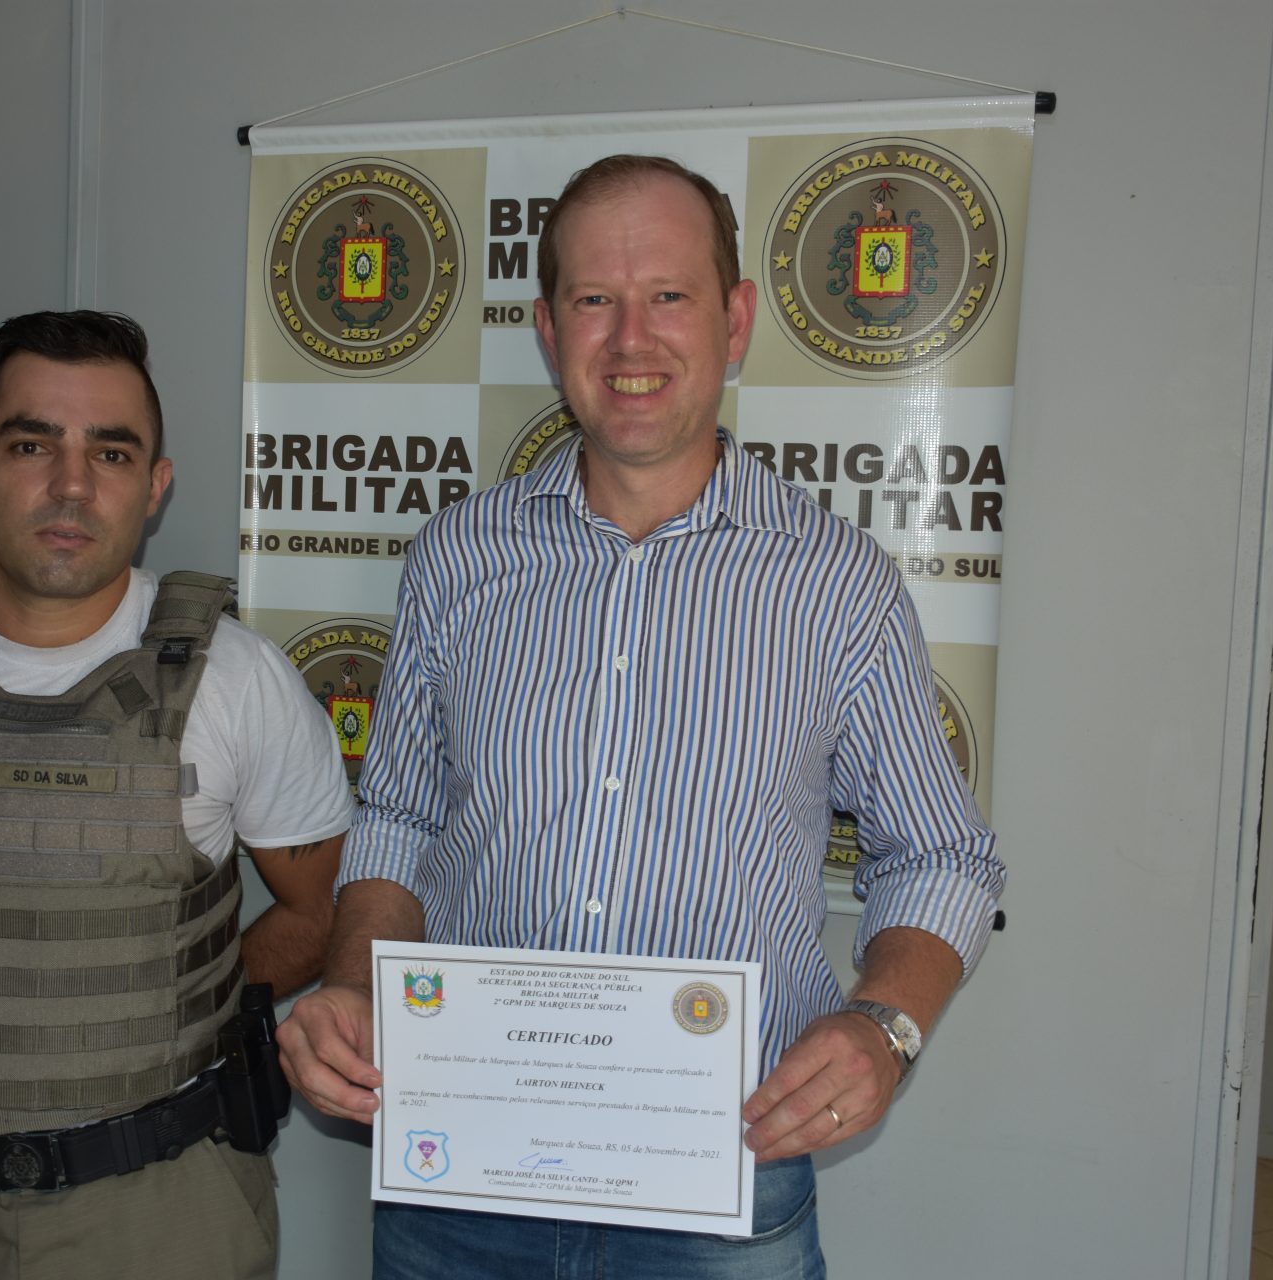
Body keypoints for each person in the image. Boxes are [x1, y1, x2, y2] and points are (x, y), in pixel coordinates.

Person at [278, 156, 1006, 1278]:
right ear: (546, 327)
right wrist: (348, 981)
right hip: (461, 1172)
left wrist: (886, 1026)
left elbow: (941, 853)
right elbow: (401, 823)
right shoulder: (457, 558)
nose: (631, 339)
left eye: (668, 294)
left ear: (736, 319)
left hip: (722, 1182)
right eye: (593, 299)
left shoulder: (835, 581)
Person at [0, 310, 353, 1279]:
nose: (72, 485)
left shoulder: (238, 680)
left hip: (167, 1205)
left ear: (155, 485)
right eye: (31, 444)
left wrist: (181, 1015)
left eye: (111, 452)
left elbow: (320, 908)